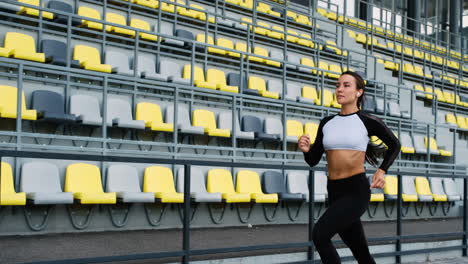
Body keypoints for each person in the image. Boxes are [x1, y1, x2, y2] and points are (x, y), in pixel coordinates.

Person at [298, 71, 401, 264]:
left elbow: (395, 144)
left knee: (320, 235)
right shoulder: (327, 123)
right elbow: (313, 160)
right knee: (361, 253)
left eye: (346, 85)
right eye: (338, 85)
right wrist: (306, 149)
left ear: (359, 92)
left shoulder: (367, 121)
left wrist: (381, 170)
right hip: (334, 191)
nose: (339, 89)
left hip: (356, 191)